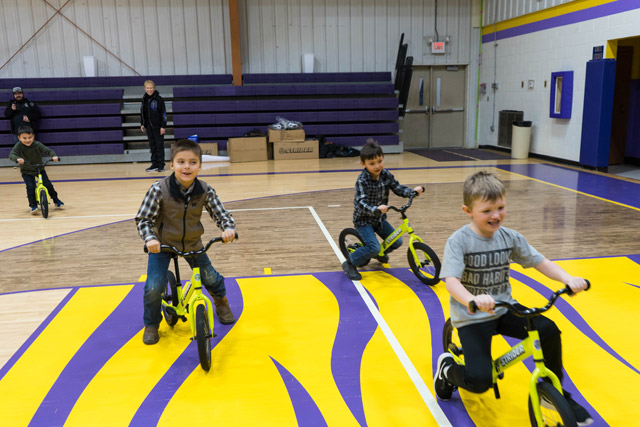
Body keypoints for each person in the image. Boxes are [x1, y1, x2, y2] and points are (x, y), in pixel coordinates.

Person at [433, 171, 593, 426]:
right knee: (480, 380)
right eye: (486, 210)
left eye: (500, 208)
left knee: (548, 330)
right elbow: (451, 281)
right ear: (468, 210)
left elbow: (539, 261)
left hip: (505, 309)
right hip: (471, 316)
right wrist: (471, 300)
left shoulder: (509, 237)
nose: (495, 215)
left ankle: (554, 392)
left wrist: (567, 279)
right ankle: (448, 370)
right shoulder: (459, 241)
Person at [135, 138, 236, 345]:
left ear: (200, 165)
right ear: (172, 165)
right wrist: (150, 238)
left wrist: (228, 228)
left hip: (192, 243)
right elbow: (144, 219)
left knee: (210, 277)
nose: (186, 167)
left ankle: (221, 301)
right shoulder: (158, 189)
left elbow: (221, 213)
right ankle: (152, 324)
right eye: (181, 162)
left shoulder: (205, 190)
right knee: (154, 286)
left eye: (192, 162)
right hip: (162, 244)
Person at [341, 139, 424, 280]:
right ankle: (349, 263)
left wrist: (412, 192)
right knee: (374, 247)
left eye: (379, 161)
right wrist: (376, 209)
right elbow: (361, 203)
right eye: (372, 163)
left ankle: (378, 253)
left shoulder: (386, 175)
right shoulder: (362, 180)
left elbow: (397, 188)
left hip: (379, 219)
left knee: (397, 242)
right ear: (363, 164)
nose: (377, 166)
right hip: (364, 220)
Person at [9, 125, 64, 214]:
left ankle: (56, 200)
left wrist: (53, 156)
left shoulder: (37, 144)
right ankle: (33, 206)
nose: (27, 140)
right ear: (19, 138)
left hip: (39, 168)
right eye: (24, 138)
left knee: (48, 185)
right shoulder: (18, 146)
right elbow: (12, 155)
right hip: (27, 171)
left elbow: (48, 150)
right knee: (31, 187)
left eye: (30, 137)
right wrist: (17, 159)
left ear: (33, 136)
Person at [140, 80, 167, 172]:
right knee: (152, 146)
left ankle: (161, 164)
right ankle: (154, 164)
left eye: (151, 88)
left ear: (154, 88)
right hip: (148, 126)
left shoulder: (159, 99)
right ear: (145, 88)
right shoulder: (144, 99)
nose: (149, 89)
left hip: (158, 127)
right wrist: (142, 124)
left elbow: (163, 113)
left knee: (159, 145)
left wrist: (163, 126)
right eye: (148, 88)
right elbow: (142, 113)